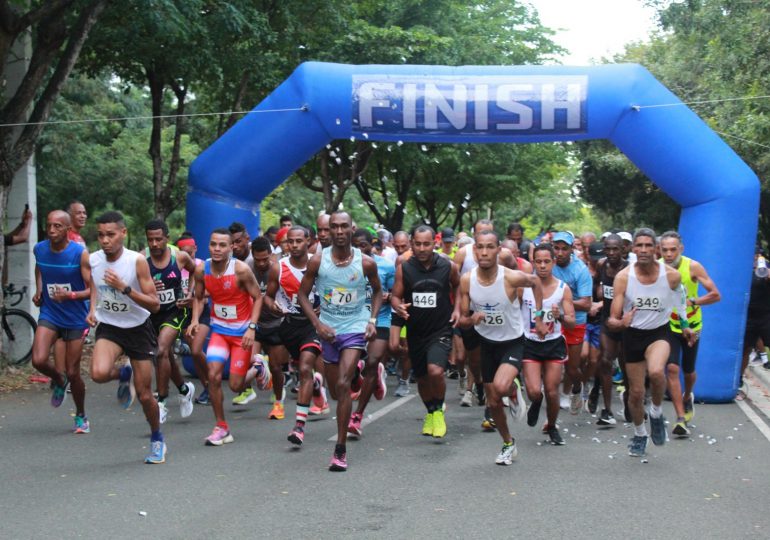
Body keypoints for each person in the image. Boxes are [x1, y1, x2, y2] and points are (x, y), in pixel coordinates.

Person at [298, 213, 382, 471]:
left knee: (343, 385)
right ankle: (362, 374)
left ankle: (340, 450)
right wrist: (318, 324)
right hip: (329, 331)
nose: (339, 230)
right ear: (329, 231)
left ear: (351, 229)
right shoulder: (318, 261)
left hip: (355, 327)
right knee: (336, 391)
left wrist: (372, 320)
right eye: (334, 226)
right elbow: (302, 294)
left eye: (344, 226)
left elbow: (378, 291)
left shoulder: (365, 263)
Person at [458, 230, 546, 465]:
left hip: (512, 342)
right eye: (480, 247)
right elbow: (461, 319)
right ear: (474, 250)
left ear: (499, 250)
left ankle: (513, 390)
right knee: (493, 401)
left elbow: (536, 282)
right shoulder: (467, 280)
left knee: (500, 386)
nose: (484, 252)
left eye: (489, 247)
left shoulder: (510, 277)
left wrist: (537, 317)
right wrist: (472, 319)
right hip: (487, 344)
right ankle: (508, 443)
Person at [607, 228, 695, 457]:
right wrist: (621, 322)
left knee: (656, 372)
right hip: (633, 335)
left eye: (648, 246)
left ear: (656, 249)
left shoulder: (671, 275)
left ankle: (656, 412)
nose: (644, 250)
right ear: (633, 249)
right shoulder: (624, 277)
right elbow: (612, 320)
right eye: (639, 246)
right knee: (635, 394)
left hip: (659, 333)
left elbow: (680, 299)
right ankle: (639, 433)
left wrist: (685, 325)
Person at [86, 211, 164, 463]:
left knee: (144, 396)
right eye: (100, 235)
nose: (105, 240)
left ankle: (157, 438)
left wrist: (125, 288)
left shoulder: (136, 262)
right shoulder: (93, 260)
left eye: (110, 234)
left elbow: (154, 305)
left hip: (138, 328)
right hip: (110, 326)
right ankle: (123, 373)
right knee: (98, 374)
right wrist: (92, 310)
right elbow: (95, 287)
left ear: (123, 233)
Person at [187, 228, 265, 446]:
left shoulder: (240, 270)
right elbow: (199, 297)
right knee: (213, 376)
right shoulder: (202, 270)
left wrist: (251, 328)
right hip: (220, 331)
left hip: (241, 334)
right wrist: (195, 319)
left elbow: (258, 297)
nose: (217, 249)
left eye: (222, 245)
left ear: (232, 247)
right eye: (213, 244)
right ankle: (221, 427)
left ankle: (258, 367)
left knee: (235, 386)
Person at [392, 225, 460, 440]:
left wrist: (458, 309)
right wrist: (398, 306)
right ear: (412, 244)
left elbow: (459, 288)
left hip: (440, 328)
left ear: (435, 244)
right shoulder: (405, 267)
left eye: (427, 244)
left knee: (435, 371)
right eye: (418, 244)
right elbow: (395, 295)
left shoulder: (448, 266)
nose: (422, 248)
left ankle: (439, 411)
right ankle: (430, 412)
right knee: (421, 377)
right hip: (416, 330)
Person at [31, 210, 91, 433]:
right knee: (38, 359)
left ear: (68, 230)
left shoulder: (79, 254)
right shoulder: (40, 249)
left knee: (74, 372)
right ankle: (58, 379)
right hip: (51, 313)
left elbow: (91, 289)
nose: (52, 230)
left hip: (75, 317)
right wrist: (39, 290)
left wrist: (71, 295)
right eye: (49, 226)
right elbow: (40, 267)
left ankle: (81, 415)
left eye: (57, 226)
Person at [265, 227, 326, 446]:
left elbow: (332, 290)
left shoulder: (318, 263)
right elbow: (268, 297)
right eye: (290, 241)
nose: (294, 245)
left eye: (299, 241)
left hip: (313, 325)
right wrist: (275, 308)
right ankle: (317, 389)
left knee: (305, 368)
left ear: (308, 241)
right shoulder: (278, 268)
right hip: (290, 325)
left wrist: (325, 307)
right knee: (283, 364)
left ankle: (299, 426)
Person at [659, 230, 720, 435]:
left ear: (681, 249)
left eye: (672, 250)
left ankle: (688, 396)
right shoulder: (657, 267)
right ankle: (680, 418)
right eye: (664, 250)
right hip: (668, 325)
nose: (668, 254)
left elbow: (715, 295)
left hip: (692, 325)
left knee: (688, 370)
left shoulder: (692, 266)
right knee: (673, 369)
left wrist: (693, 301)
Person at [521, 243, 575, 445]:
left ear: (553, 262)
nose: (542, 266)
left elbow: (571, 323)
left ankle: (552, 425)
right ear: (533, 262)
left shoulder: (563, 289)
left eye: (546, 261)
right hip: (530, 342)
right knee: (535, 391)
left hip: (553, 344)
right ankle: (536, 401)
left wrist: (559, 315)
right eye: (538, 261)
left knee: (552, 391)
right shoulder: (524, 287)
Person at [144, 220, 197, 423]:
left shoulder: (179, 256)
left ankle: (162, 402)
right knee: (165, 356)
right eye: (151, 240)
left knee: (161, 350)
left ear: (167, 238)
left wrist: (190, 293)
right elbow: (134, 282)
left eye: (159, 239)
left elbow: (195, 272)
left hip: (175, 311)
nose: (155, 244)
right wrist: (148, 287)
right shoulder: (142, 259)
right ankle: (184, 389)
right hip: (152, 313)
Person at [348, 228, 394, 437]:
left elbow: (397, 293)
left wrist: (388, 295)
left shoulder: (384, 266)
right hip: (353, 320)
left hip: (380, 319)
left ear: (372, 244)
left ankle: (357, 416)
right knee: (351, 367)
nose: (360, 250)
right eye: (355, 246)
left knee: (373, 361)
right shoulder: (344, 267)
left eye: (363, 245)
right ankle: (370, 375)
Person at [551, 231, 593, 414]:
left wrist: (563, 301)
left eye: (564, 249)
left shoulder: (580, 270)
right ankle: (553, 394)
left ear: (571, 250)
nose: (559, 253)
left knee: (572, 367)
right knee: (551, 361)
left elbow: (586, 303)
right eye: (556, 248)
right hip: (552, 319)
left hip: (575, 321)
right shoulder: (547, 264)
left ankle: (578, 386)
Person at [250, 236, 290, 420]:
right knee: (252, 360)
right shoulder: (247, 268)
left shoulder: (278, 268)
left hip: (277, 324)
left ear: (270, 255)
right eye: (257, 259)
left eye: (265, 259)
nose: (261, 263)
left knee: (276, 367)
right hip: (256, 323)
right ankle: (260, 364)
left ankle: (278, 403)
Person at [595, 234, 628, 425]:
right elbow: (598, 286)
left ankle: (630, 399)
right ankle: (607, 409)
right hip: (607, 321)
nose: (611, 253)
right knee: (605, 360)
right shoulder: (601, 266)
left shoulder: (629, 269)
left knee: (626, 365)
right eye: (608, 249)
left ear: (623, 249)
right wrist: (598, 299)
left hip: (626, 324)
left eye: (615, 249)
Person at [176, 233, 211, 404]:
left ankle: (212, 382)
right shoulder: (176, 267)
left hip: (201, 311)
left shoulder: (201, 266)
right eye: (185, 253)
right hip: (183, 314)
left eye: (191, 253)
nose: (188, 256)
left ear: (195, 249)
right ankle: (207, 388)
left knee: (197, 350)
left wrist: (192, 304)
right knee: (193, 352)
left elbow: (202, 298)